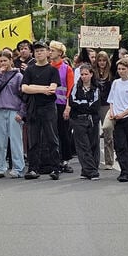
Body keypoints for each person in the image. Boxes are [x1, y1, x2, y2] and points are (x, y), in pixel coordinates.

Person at [21, 41, 62, 180]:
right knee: (33, 139)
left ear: (47, 52)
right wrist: (42, 89)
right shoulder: (30, 70)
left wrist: (35, 87)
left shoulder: (52, 70)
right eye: (36, 51)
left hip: (48, 107)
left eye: (41, 50)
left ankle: (55, 168)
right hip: (33, 108)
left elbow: (52, 89)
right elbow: (24, 88)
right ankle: (33, 168)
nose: (39, 53)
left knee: (52, 138)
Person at [0, 49, 25, 178]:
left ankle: (18, 168)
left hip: (14, 111)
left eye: (5, 60)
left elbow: (24, 96)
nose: (3, 63)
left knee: (15, 141)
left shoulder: (18, 76)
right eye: (1, 61)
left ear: (11, 61)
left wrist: (22, 112)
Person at [64, 63, 100, 180]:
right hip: (78, 119)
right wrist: (85, 103)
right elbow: (73, 102)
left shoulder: (96, 88)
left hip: (92, 120)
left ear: (91, 74)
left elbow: (95, 105)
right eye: (82, 74)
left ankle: (87, 170)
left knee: (93, 145)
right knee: (83, 146)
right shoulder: (76, 87)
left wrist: (83, 103)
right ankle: (92, 171)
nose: (84, 76)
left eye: (86, 74)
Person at [48, 40, 74, 173]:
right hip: (49, 105)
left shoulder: (67, 68)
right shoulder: (48, 67)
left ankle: (65, 160)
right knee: (52, 133)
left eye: (52, 50)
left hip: (62, 105)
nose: (50, 52)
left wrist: (68, 106)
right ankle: (54, 159)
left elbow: (70, 88)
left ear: (60, 53)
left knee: (64, 133)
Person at [92, 51, 116, 170]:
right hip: (95, 105)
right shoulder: (93, 72)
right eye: (100, 60)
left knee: (108, 132)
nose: (102, 63)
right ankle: (94, 160)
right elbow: (85, 60)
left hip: (107, 105)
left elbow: (116, 57)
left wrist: (117, 42)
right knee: (93, 133)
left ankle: (109, 160)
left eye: (104, 60)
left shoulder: (111, 73)